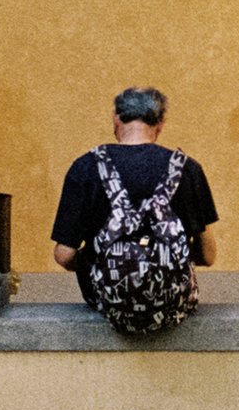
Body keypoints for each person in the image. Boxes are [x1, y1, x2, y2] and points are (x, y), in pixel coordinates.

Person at [50, 86, 219, 311]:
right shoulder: (187, 169)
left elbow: (64, 255)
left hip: (108, 304)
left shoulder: (86, 167)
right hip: (171, 306)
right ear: (160, 123)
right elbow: (208, 256)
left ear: (115, 117)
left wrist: (98, 262)